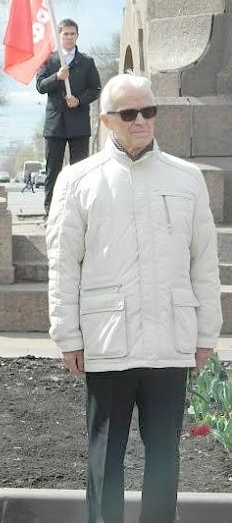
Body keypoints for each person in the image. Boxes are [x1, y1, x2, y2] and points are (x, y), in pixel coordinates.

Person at [46, 73, 222, 523]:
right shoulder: (77, 180)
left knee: (165, 455)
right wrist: (67, 333)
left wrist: (207, 332)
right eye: (129, 113)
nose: (141, 120)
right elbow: (64, 263)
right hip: (108, 342)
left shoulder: (187, 179)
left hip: (170, 341)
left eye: (149, 111)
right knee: (105, 455)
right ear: (106, 120)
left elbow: (203, 260)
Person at [36, 18, 101, 217]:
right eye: (66, 34)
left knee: (80, 172)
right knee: (52, 171)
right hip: (55, 125)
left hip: (79, 124)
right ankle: (51, 213)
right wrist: (57, 77)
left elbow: (96, 89)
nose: (69, 37)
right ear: (59, 35)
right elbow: (40, 86)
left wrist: (79, 100)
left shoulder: (87, 62)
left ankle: (80, 213)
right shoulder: (49, 60)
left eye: (73, 34)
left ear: (77, 36)